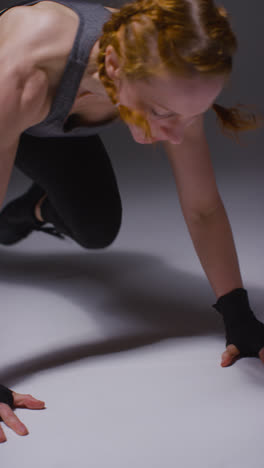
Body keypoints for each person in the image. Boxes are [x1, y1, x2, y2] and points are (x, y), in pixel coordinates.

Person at [0, 0, 263, 443]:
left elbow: (202, 207)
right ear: (113, 64)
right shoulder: (18, 76)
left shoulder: (171, 74)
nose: (177, 135)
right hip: (16, 105)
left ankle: (28, 212)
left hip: (50, 122)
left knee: (98, 227)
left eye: (192, 116)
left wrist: (238, 313)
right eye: (163, 114)